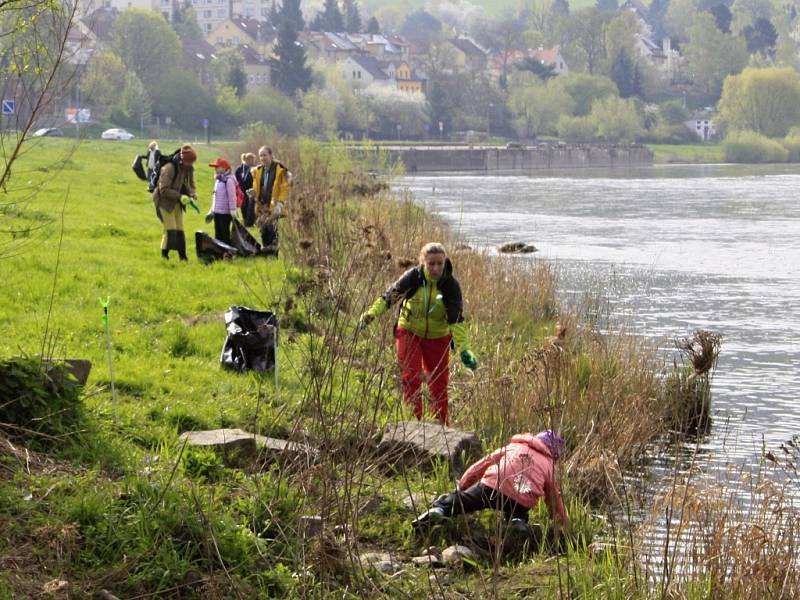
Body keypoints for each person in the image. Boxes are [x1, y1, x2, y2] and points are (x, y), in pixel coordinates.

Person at [359, 242, 478, 425]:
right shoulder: (413, 277)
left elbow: (456, 320)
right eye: (431, 263)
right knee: (411, 377)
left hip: (438, 337)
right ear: (423, 262)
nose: (436, 268)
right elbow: (389, 297)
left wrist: (465, 350)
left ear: (445, 263)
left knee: (439, 385)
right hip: (409, 331)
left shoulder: (450, 286)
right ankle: (413, 425)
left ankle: (440, 429)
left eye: (440, 263)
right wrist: (370, 315)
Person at [411, 430, 569, 533]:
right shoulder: (549, 466)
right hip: (521, 500)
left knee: (464, 501)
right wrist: (563, 524)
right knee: (519, 508)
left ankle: (440, 510)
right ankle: (517, 522)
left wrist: (463, 486)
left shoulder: (513, 447)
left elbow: (483, 464)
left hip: (492, 486)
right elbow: (554, 498)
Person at [153, 144, 197, 260]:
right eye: (189, 163)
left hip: (177, 200)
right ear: (183, 160)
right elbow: (164, 190)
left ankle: (182, 256)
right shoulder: (169, 168)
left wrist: (192, 193)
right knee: (170, 230)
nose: (191, 166)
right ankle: (164, 255)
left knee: (180, 230)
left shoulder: (188, 167)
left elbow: (191, 183)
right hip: (164, 201)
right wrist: (180, 196)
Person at [249, 146, 290, 254]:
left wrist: (280, 204)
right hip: (261, 206)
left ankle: (273, 256)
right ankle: (266, 256)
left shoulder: (280, 169)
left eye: (264, 155)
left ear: (271, 155)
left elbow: (284, 188)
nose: (262, 158)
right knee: (263, 231)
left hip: (274, 206)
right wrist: (253, 192)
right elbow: (257, 187)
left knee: (272, 232)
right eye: (260, 156)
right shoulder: (258, 170)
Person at [206, 157, 238, 246]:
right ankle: (219, 251)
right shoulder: (218, 180)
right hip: (217, 212)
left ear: (225, 168)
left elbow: (232, 196)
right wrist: (212, 210)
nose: (215, 169)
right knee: (218, 232)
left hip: (225, 213)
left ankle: (227, 252)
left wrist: (233, 210)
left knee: (224, 233)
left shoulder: (229, 180)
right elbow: (215, 197)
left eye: (217, 167)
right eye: (215, 167)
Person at [235, 152, 256, 227]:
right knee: (243, 206)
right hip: (242, 191)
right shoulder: (239, 169)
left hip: (251, 191)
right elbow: (236, 180)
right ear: (247, 160)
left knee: (250, 207)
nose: (254, 162)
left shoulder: (255, 169)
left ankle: (250, 222)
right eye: (252, 160)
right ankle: (245, 220)